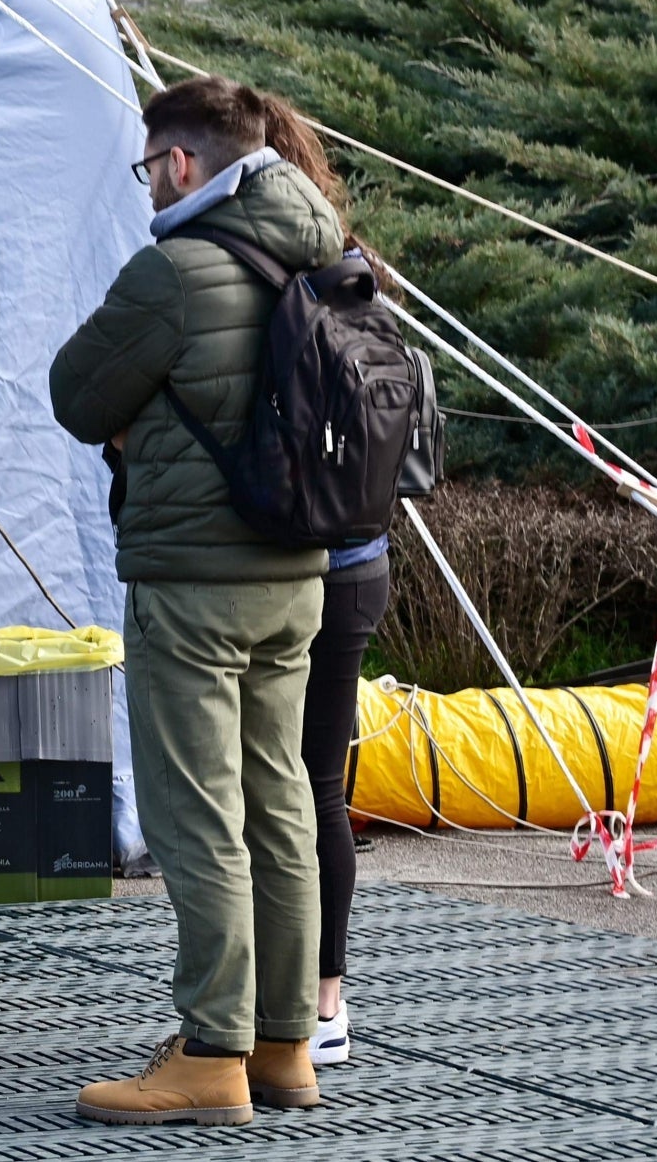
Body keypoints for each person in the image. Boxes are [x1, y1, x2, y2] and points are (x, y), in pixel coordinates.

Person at [48, 76, 342, 1127]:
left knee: (195, 815)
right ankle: (282, 1045)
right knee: (283, 805)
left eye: (148, 167)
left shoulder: (174, 271)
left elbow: (75, 392)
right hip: (298, 573)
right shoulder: (325, 252)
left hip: (191, 580)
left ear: (177, 164)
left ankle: (210, 1052)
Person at [259, 94, 389, 1071]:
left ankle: (269, 1005)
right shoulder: (354, 273)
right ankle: (327, 1000)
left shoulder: (258, 279)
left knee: (262, 787)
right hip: (361, 557)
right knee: (320, 784)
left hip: (278, 565)